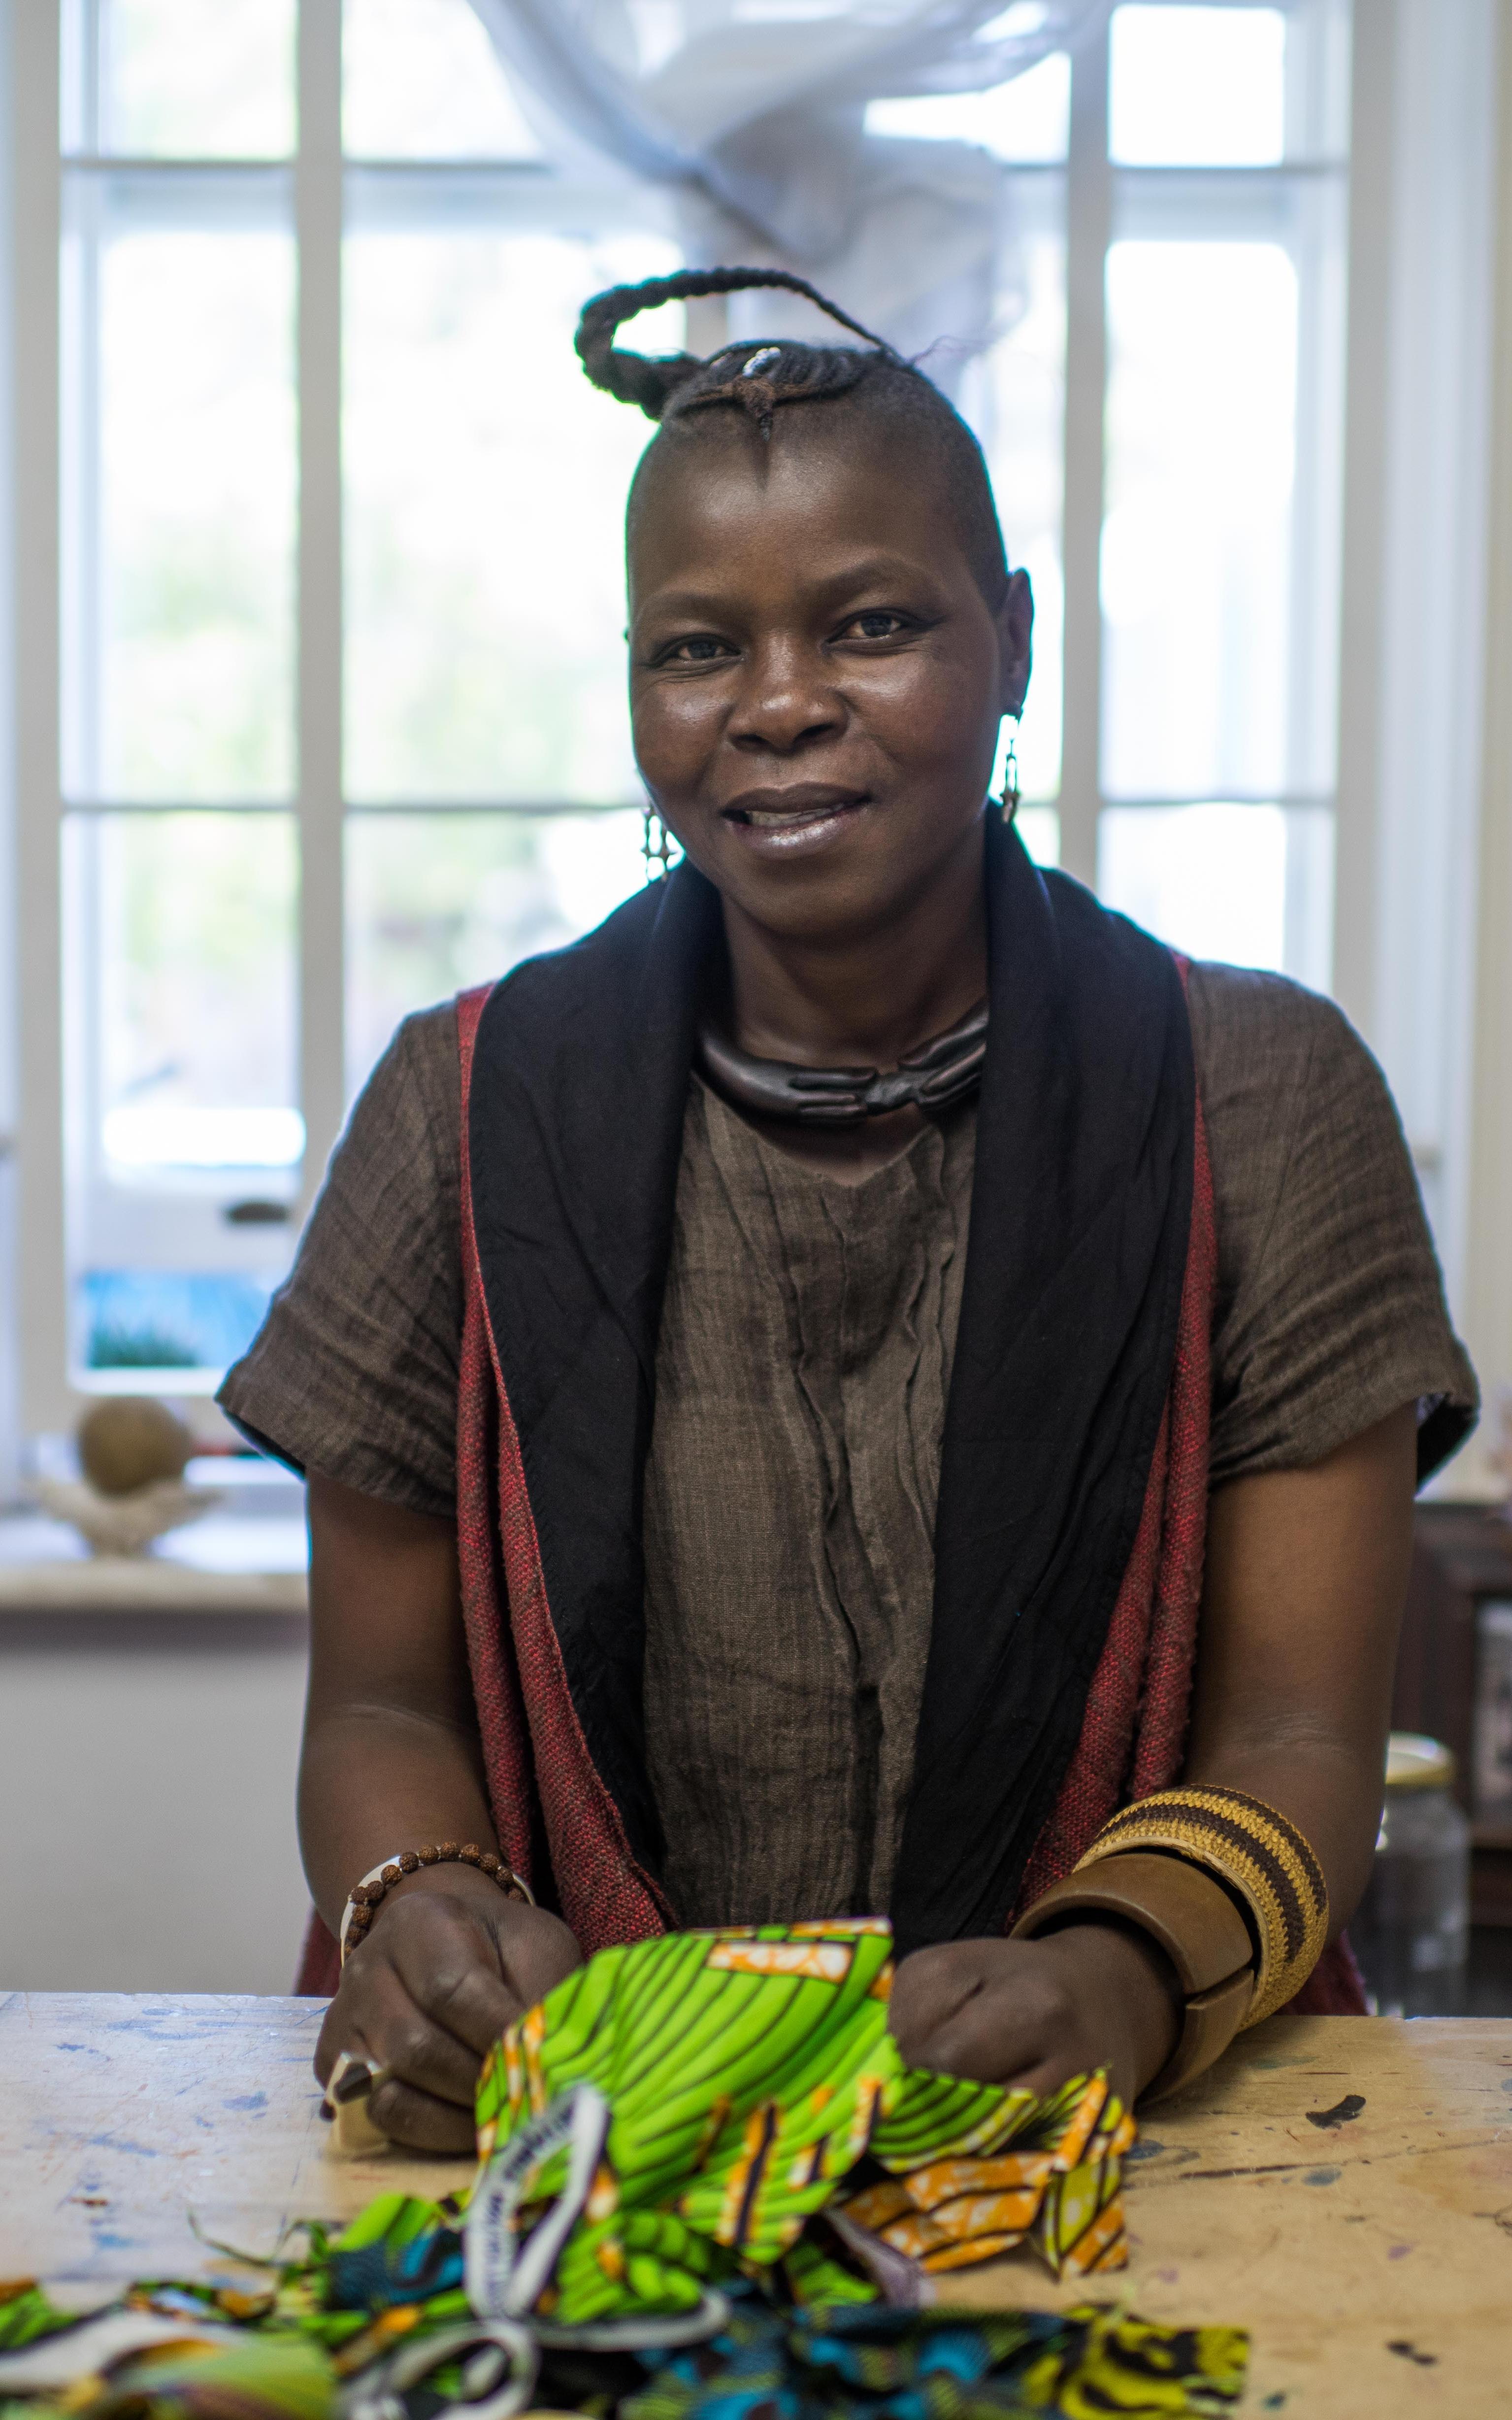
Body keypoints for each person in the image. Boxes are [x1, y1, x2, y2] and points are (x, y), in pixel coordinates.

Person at [221, 267, 1477, 2154]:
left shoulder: (1260, 1095)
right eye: (696, 649)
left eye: (875, 624)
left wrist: (1125, 1971)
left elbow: (1301, 1740)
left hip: (1116, 2134)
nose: (782, 707)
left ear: (1016, 642)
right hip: (568, 2145)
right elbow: (380, 1711)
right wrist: (420, 1909)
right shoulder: (460, 1104)